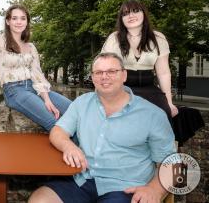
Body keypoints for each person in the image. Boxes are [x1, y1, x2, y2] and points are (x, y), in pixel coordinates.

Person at [29, 53, 175, 203]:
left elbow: (171, 162)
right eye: (98, 72)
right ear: (92, 77)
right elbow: (58, 131)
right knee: (40, 199)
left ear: (124, 75)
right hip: (82, 180)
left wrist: (155, 190)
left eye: (112, 71)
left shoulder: (152, 114)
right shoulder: (82, 103)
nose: (104, 77)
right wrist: (69, 147)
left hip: (125, 188)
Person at [0, 4, 71, 131]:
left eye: (23, 18)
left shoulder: (31, 47)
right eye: (14, 18)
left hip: (34, 87)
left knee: (73, 110)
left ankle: (89, 148)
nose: (19, 22)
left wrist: (47, 99)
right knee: (55, 121)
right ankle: (73, 149)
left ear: (27, 22)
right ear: (8, 21)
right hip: (14, 90)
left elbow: (37, 74)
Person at [101, 0, 178, 119]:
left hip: (150, 90)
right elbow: (102, 69)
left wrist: (169, 102)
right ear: (121, 19)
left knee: (162, 115)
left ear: (144, 14)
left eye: (135, 11)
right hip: (121, 89)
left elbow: (163, 73)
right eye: (125, 13)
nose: (131, 16)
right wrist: (102, 96)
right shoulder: (113, 39)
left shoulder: (158, 38)